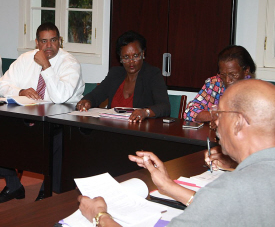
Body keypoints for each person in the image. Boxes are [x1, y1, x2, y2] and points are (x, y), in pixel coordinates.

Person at [77, 79, 275, 226]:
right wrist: (167, 186)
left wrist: (100, 216)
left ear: (238, 123)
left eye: (219, 114)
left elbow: (224, 201)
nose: (214, 123)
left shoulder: (233, 188)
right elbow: (221, 208)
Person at [0, 22, 84, 203]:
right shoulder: (25, 59)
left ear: (59, 41)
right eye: (44, 41)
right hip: (28, 116)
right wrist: (19, 91)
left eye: (53, 40)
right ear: (37, 43)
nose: (48, 46)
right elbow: (2, 85)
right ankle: (14, 184)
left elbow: (60, 97)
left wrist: (46, 66)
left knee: (55, 139)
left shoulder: (70, 63)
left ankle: (48, 191)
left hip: (62, 120)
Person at [76, 30, 170, 122]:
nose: (131, 61)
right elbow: (96, 95)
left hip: (139, 132)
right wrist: (87, 101)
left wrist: (145, 112)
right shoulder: (115, 73)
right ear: (120, 58)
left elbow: (164, 107)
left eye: (136, 56)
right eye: (126, 57)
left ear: (143, 54)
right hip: (113, 130)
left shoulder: (152, 74)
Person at [184, 45, 256, 125]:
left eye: (233, 75)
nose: (228, 80)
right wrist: (214, 116)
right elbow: (189, 112)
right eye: (223, 74)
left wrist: (223, 118)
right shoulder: (214, 83)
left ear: (246, 70)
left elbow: (255, 122)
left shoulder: (255, 91)